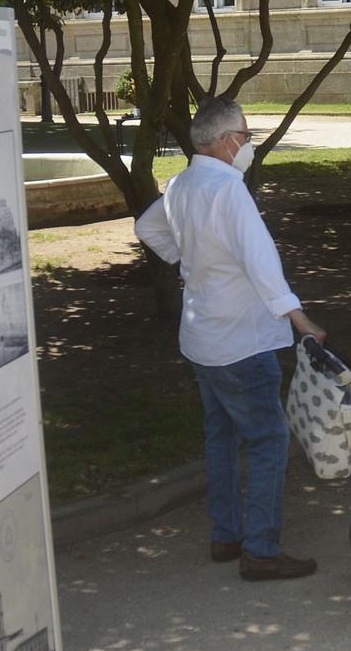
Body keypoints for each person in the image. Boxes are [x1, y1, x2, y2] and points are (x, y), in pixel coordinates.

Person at [134, 97, 326, 581]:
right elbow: (263, 266)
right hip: (243, 342)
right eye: (246, 135)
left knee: (220, 437)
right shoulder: (228, 191)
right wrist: (301, 321)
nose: (249, 144)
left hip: (202, 339)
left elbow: (147, 226)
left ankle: (226, 535)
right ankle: (260, 550)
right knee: (267, 439)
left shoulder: (182, 183)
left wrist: (188, 260)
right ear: (225, 142)